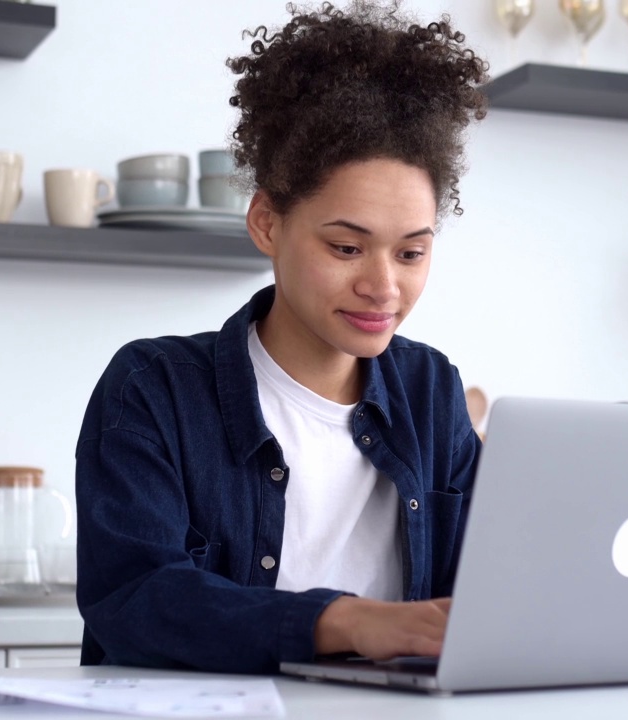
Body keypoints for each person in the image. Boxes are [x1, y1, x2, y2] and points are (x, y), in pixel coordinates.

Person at [75, 0, 490, 674]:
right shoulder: (154, 387)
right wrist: (345, 620)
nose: (384, 287)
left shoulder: (431, 389)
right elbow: (135, 600)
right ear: (268, 222)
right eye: (348, 248)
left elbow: (487, 587)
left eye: (411, 254)